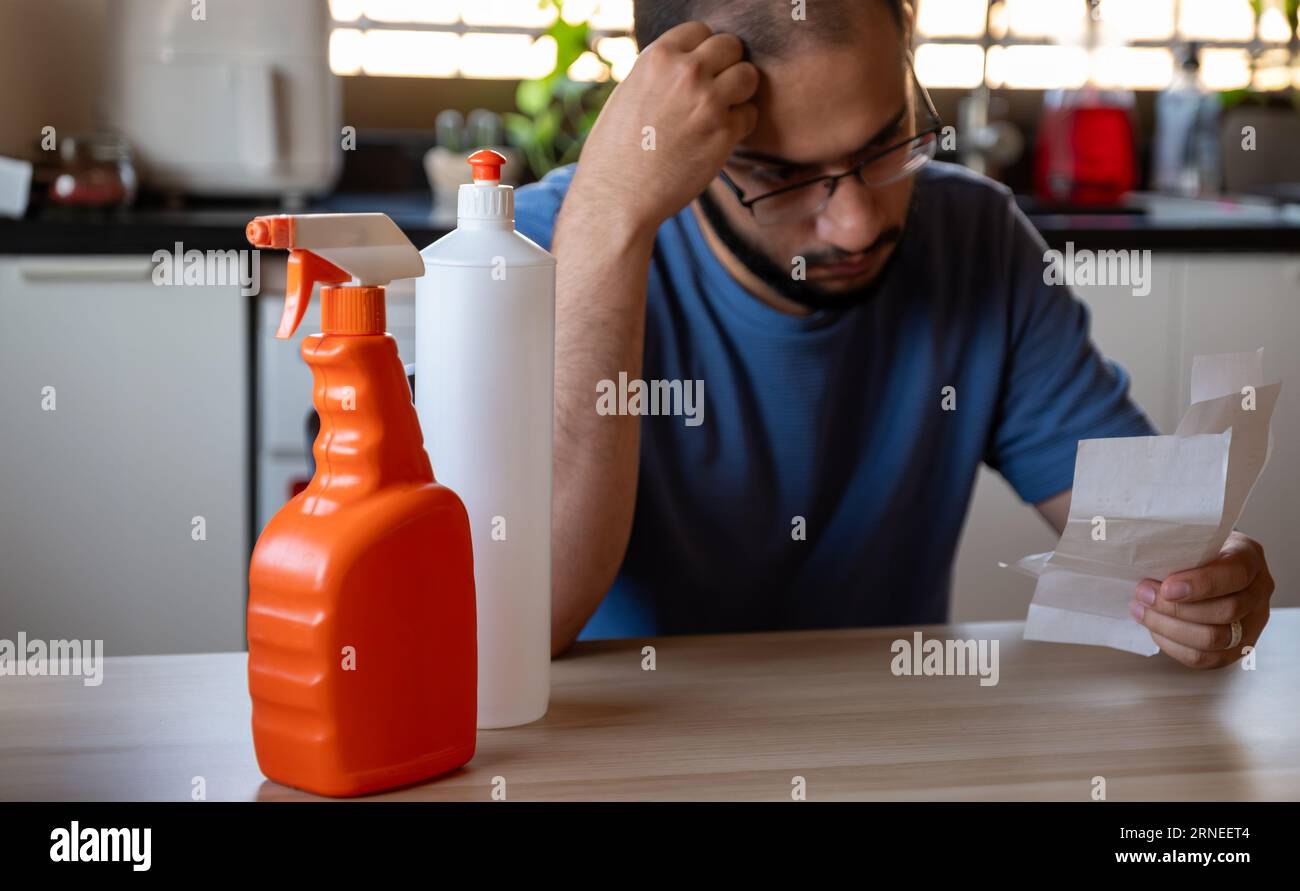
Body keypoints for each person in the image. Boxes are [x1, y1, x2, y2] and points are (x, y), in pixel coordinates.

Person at [512, 0, 1274, 667]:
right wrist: (609, 220)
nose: (860, 224)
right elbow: (521, 623)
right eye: (785, 179)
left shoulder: (975, 239)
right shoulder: (542, 250)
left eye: (888, 145)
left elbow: (1142, 541)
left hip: (892, 741)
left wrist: (1202, 583)